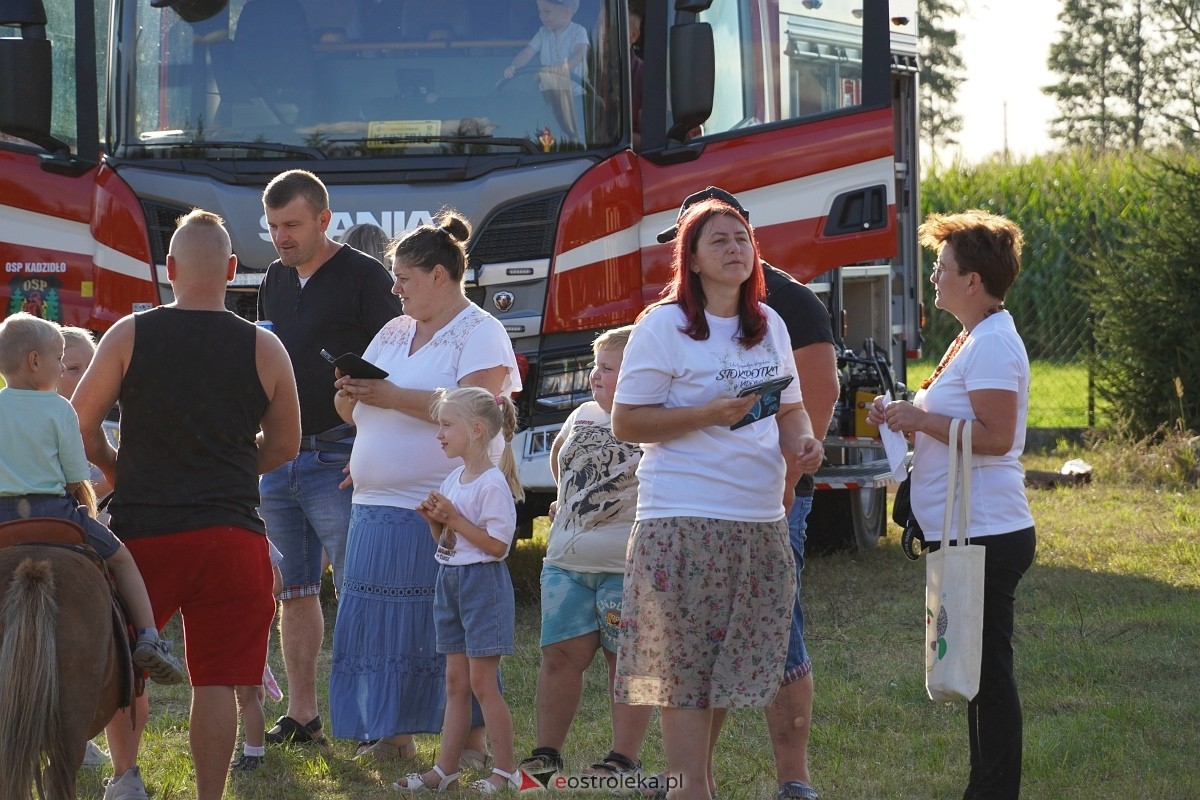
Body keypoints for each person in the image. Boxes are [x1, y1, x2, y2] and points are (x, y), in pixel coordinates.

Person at [73, 209, 301, 800]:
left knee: (127, 670)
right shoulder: (265, 346)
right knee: (218, 682)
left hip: (143, 534)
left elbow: (80, 421)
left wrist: (119, 470)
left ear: (169, 269)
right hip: (233, 536)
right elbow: (285, 444)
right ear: (231, 269)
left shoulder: (129, 333)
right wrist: (226, 470)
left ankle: (127, 779)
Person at [611, 197, 824, 800]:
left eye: (742, 238)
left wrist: (803, 444)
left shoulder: (770, 324)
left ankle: (686, 785)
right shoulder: (663, 325)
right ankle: (689, 789)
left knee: (732, 671)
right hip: (681, 519)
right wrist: (709, 414)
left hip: (758, 519)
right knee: (685, 672)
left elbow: (790, 407)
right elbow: (626, 421)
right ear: (694, 261)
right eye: (719, 241)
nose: (735, 248)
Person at [327, 210, 519, 766]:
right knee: (381, 627)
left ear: (439, 275)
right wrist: (351, 392)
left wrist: (390, 397)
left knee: (444, 629)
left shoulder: (482, 330)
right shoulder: (392, 329)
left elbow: (479, 412)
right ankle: (393, 733)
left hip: (442, 506)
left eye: (404, 279)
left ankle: (473, 745)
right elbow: (356, 410)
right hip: (374, 504)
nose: (395, 289)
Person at [868, 210, 1036, 800]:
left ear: (973, 281)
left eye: (942, 268)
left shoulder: (991, 343)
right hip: (971, 531)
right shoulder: (973, 336)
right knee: (973, 668)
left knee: (988, 674)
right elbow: (961, 425)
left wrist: (921, 418)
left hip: (988, 530)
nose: (933, 278)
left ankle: (993, 793)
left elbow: (995, 436)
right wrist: (905, 419)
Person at [257, 169, 401, 747]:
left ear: (323, 219)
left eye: (291, 225)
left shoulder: (369, 279)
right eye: (272, 228)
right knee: (293, 589)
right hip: (280, 456)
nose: (281, 238)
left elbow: (397, 369)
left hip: (341, 454)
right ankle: (303, 714)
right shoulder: (273, 277)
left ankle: (377, 722)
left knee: (361, 588)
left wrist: (369, 450)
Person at [0, 312, 187, 686]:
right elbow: (75, 476)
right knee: (121, 558)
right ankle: (150, 637)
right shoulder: (59, 409)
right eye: (58, 360)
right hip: (54, 513)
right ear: (35, 362)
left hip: (4, 519)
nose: (60, 367)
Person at [518, 325, 653, 782]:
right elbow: (560, 456)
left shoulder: (657, 420)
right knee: (558, 658)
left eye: (609, 368)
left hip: (628, 567)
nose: (596, 376)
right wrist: (566, 497)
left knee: (627, 663)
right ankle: (546, 753)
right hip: (567, 564)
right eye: (596, 366)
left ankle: (623, 759)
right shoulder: (582, 414)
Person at [396, 387, 523, 793]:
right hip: (450, 581)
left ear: (477, 429)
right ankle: (444, 771)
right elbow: (449, 543)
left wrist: (453, 516)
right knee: (455, 683)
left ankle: (505, 771)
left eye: (447, 425)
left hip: (482, 585)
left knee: (483, 684)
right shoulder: (454, 478)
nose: (440, 434)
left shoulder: (491, 484)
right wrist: (435, 521)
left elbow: (497, 547)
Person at [230, 540, 285, 773]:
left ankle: (254, 753)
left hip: (244, 621)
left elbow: (277, 584)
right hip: (245, 620)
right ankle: (251, 743)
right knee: (247, 690)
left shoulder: (252, 537)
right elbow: (277, 584)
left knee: (246, 694)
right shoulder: (256, 535)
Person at [504, 0, 589, 138]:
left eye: (547, 11)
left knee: (573, 132)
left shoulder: (579, 32)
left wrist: (565, 66)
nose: (541, 16)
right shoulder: (543, 33)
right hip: (548, 96)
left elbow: (580, 53)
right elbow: (527, 52)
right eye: (540, 11)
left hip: (575, 96)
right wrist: (514, 66)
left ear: (567, 12)